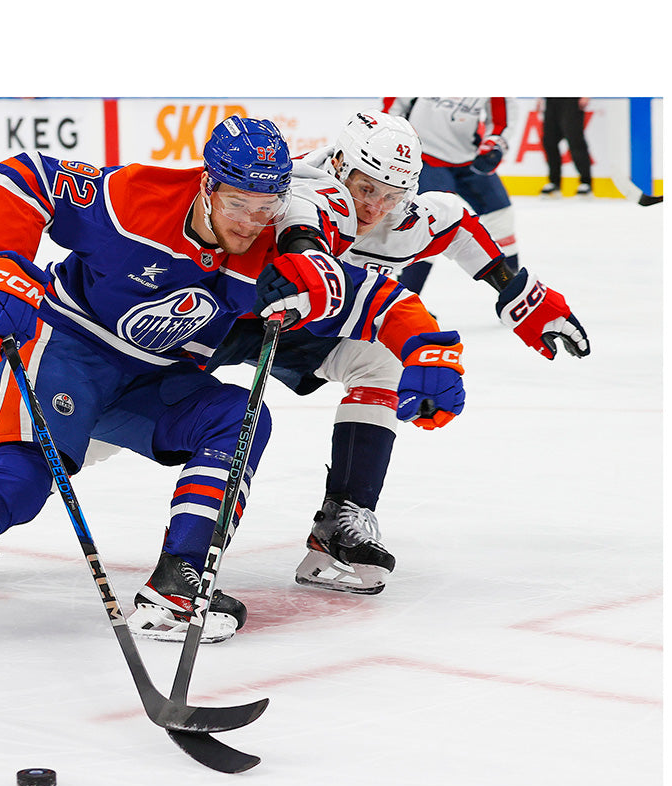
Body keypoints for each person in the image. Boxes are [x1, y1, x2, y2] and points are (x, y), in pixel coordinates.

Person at [0, 115, 464, 663]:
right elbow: (22, 178)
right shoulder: (134, 201)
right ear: (207, 185)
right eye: (238, 204)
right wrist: (7, 270)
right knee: (22, 476)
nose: (250, 222)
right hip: (68, 346)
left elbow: (374, 297)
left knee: (239, 419)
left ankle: (178, 588)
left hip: (154, 374)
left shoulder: (276, 244)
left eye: (266, 209)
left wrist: (427, 349)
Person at [206, 110, 590, 595]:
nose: (375, 207)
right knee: (113, 420)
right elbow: (304, 232)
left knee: (380, 361)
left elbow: (458, 226)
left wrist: (517, 296)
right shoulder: (299, 187)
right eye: (367, 189)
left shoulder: (404, 218)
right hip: (214, 316)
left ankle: (341, 523)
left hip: (300, 325)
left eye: (392, 195)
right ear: (341, 164)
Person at [379, 97, 518, 295]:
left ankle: (515, 293)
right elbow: (392, 109)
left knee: (501, 215)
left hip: (468, 157)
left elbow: (501, 119)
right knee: (426, 226)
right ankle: (405, 299)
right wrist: (396, 144)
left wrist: (494, 145)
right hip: (425, 156)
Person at [539, 98, 593, 196]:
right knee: (549, 141)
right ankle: (554, 182)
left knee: (575, 139)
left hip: (571, 100)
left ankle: (586, 181)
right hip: (551, 100)